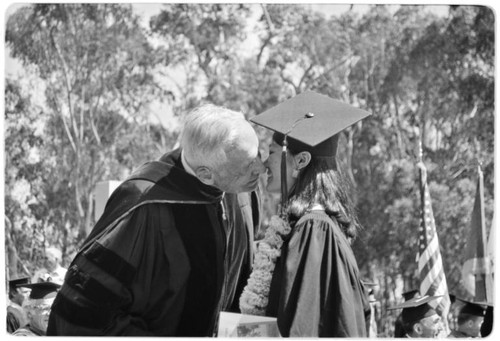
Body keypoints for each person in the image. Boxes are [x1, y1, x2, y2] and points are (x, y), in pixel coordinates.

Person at [47, 104, 265, 336]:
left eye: (258, 155)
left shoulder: (243, 192)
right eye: (247, 167)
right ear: (205, 175)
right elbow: (83, 311)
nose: (261, 169)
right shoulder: (143, 208)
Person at [242, 91, 372, 336]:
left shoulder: (314, 230)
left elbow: (303, 326)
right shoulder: (315, 227)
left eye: (271, 152)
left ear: (301, 160)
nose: (263, 165)